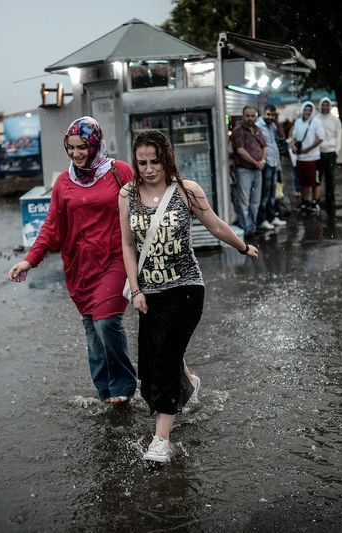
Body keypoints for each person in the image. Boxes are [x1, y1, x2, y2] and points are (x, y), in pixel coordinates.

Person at [119, 130, 258, 463]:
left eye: (155, 161)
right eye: (142, 162)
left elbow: (216, 226)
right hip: (149, 293)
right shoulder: (127, 194)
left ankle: (161, 440)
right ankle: (190, 383)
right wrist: (135, 290)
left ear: (167, 159)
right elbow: (126, 244)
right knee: (152, 365)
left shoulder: (186, 191)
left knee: (164, 359)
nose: (149, 168)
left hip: (185, 289)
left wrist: (242, 246)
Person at [8, 116, 137, 405]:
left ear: (95, 144)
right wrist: (30, 260)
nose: (76, 153)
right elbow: (52, 226)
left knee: (106, 323)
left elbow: (144, 206)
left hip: (117, 260)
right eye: (70, 147)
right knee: (92, 330)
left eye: (82, 147)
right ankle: (104, 390)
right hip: (80, 268)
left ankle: (124, 386)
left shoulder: (121, 172)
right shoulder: (64, 182)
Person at [230, 105, 267, 234]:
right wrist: (256, 163)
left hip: (258, 170)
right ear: (243, 116)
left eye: (252, 116)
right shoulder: (238, 131)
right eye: (248, 115)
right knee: (244, 202)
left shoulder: (257, 129)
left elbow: (264, 146)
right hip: (244, 170)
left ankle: (253, 227)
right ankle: (246, 229)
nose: (250, 118)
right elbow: (240, 150)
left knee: (255, 201)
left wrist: (262, 161)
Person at [256, 104, 287, 228]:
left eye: (272, 115)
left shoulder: (272, 125)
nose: (270, 117)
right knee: (265, 192)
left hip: (274, 162)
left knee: (272, 192)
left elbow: (281, 137)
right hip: (266, 162)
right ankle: (263, 219)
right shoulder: (258, 126)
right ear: (263, 113)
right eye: (268, 114)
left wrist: (278, 123)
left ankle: (272, 217)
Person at [291, 101, 325, 213]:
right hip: (300, 158)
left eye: (310, 110)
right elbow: (294, 137)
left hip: (313, 158)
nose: (307, 112)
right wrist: (293, 145)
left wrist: (309, 149)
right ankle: (305, 202)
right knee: (303, 182)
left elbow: (320, 138)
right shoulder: (298, 122)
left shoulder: (317, 122)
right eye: (306, 109)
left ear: (313, 111)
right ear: (302, 110)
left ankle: (315, 202)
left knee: (315, 182)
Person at [314, 97, 342, 209]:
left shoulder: (335, 120)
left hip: (331, 152)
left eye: (327, 105)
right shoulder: (316, 119)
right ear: (320, 106)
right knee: (318, 177)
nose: (325, 107)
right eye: (323, 105)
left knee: (330, 177)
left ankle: (331, 198)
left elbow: (339, 135)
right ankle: (317, 199)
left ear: (330, 106)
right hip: (319, 152)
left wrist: (336, 150)